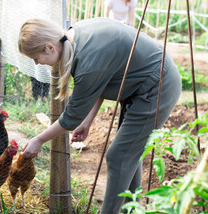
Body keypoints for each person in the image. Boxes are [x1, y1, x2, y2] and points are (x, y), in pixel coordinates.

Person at [18, 17, 181, 214]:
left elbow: (70, 118)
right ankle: (132, 210)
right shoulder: (76, 36)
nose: (37, 63)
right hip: (143, 86)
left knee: (119, 156)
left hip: (158, 87)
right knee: (128, 154)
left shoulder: (87, 60)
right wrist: (87, 121)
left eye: (36, 58)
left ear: (50, 48)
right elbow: (101, 82)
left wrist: (39, 140)